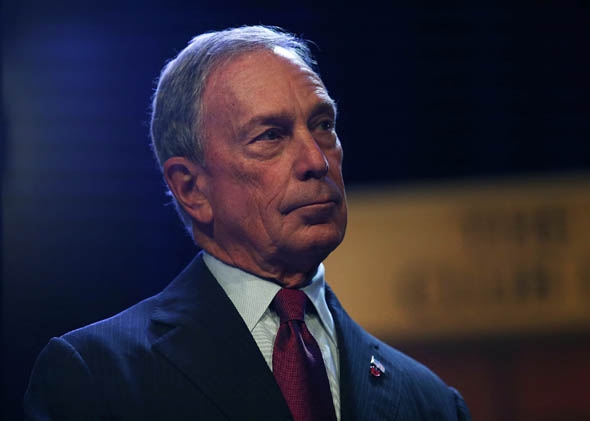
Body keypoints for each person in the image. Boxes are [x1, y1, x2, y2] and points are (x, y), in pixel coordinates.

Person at [24, 25, 471, 420]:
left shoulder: (430, 402)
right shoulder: (97, 377)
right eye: (270, 136)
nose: (316, 161)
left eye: (323, 125)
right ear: (191, 188)